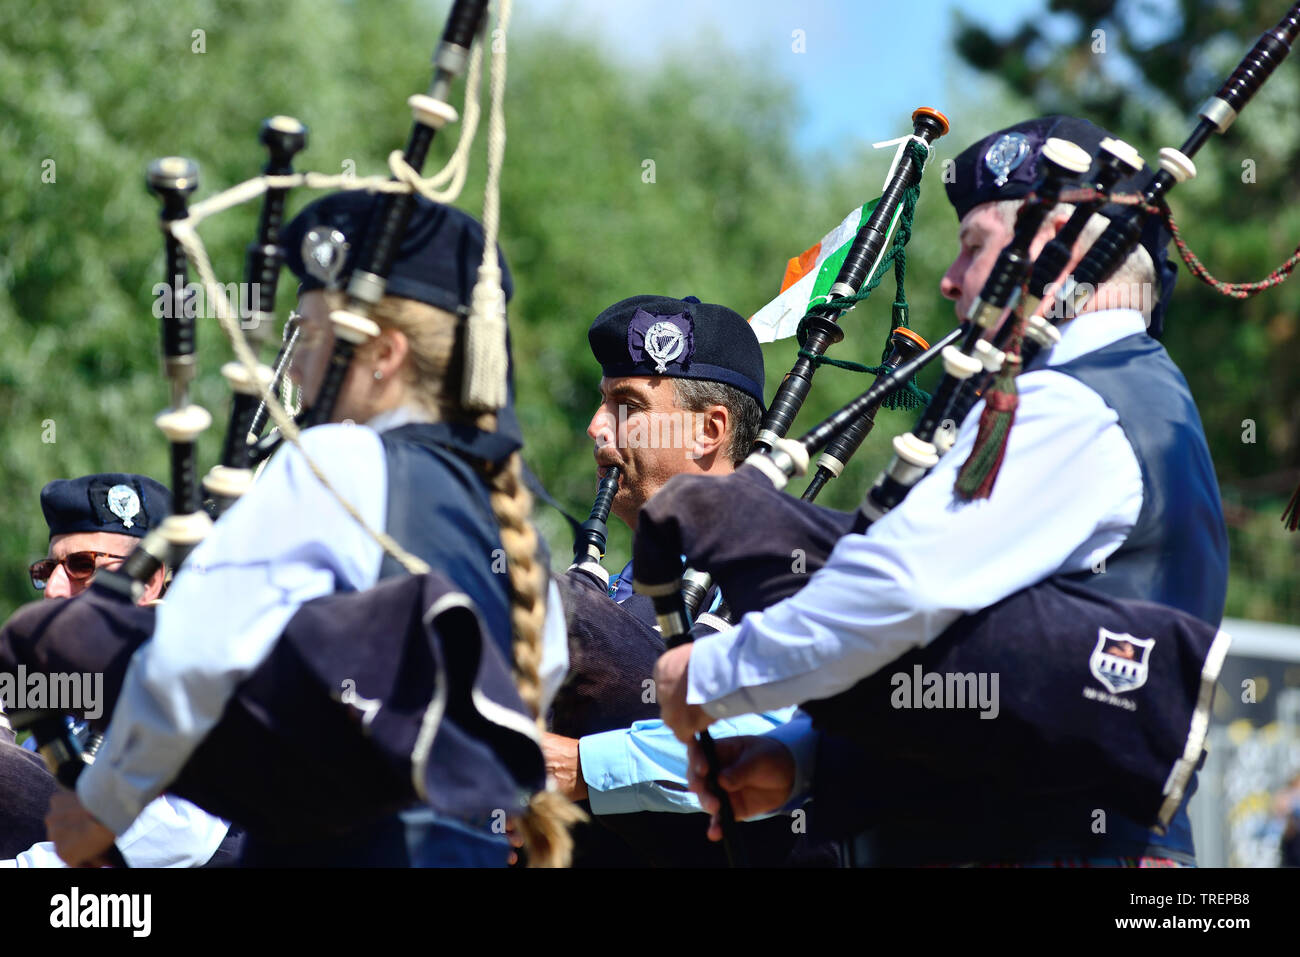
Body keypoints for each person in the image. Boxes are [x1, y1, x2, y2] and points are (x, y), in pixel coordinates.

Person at [656, 115, 1229, 866]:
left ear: (1059, 248)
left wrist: (715, 675)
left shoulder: (1071, 407)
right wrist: (801, 760)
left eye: (974, 246)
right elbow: (991, 672)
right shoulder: (1139, 395)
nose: (950, 281)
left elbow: (906, 584)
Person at [44, 193, 573, 868]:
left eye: (311, 336)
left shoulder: (337, 462)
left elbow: (187, 657)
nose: (292, 367)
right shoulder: (512, 517)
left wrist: (102, 802)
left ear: (384, 353)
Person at [546, 294, 829, 866]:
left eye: (627, 405)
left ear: (708, 430)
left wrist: (581, 767)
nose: (597, 427)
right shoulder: (616, 596)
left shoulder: (798, 579)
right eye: (603, 403)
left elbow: (773, 735)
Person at [3, 473, 233, 868]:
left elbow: (181, 830)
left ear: (148, 582)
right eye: (48, 570)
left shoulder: (191, 670)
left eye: (80, 565)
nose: (55, 588)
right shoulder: (72, 695)